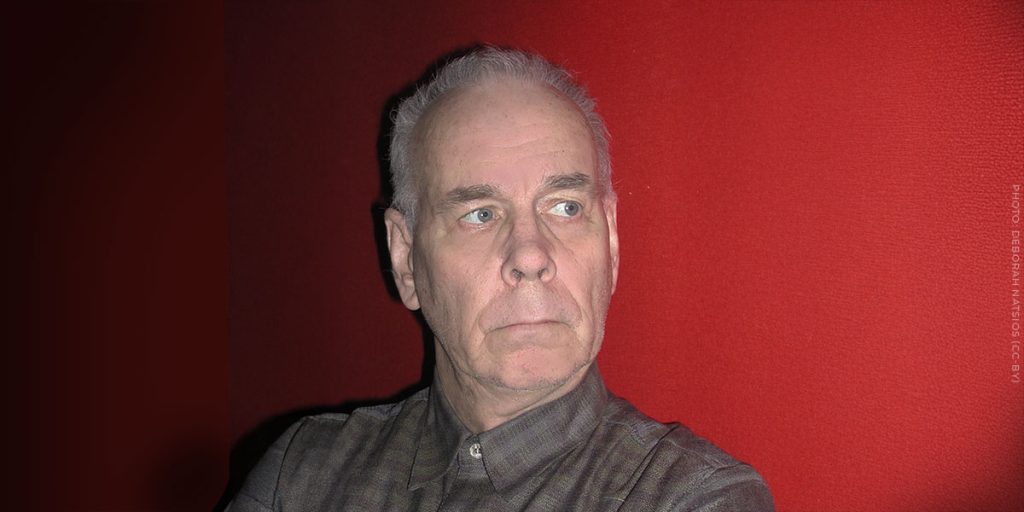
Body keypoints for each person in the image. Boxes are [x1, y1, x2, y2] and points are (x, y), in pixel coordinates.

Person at [229, 47, 774, 511]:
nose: (531, 255)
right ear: (406, 259)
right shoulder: (302, 472)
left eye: (565, 207)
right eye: (481, 214)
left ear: (610, 242)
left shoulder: (691, 499)